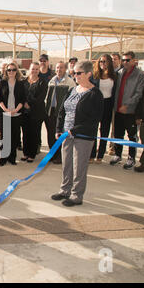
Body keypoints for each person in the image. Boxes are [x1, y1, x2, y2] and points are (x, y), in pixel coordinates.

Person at [52, 61, 103, 207]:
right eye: (73, 73)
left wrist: (73, 130)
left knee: (79, 167)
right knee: (67, 164)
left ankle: (76, 195)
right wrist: (58, 129)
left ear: (88, 74)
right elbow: (62, 111)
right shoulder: (72, 90)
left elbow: (94, 119)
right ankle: (65, 190)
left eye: (78, 73)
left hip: (83, 136)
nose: (75, 76)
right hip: (66, 135)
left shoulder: (95, 94)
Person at [110, 51, 144, 170]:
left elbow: (139, 93)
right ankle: (118, 155)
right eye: (123, 60)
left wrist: (127, 104)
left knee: (132, 136)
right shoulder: (120, 73)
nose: (125, 62)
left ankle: (131, 158)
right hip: (118, 110)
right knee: (118, 134)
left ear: (134, 60)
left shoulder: (140, 75)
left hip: (130, 112)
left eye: (127, 60)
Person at [45, 61, 76, 164]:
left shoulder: (70, 82)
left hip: (62, 112)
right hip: (51, 111)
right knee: (50, 134)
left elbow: (73, 99)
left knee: (59, 134)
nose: (59, 70)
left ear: (65, 69)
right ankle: (52, 154)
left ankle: (59, 156)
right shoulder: (52, 81)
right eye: (57, 68)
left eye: (61, 68)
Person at [89, 54, 117, 163]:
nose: (102, 64)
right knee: (93, 130)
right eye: (101, 61)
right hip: (96, 105)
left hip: (108, 104)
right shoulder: (94, 75)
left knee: (104, 131)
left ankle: (100, 155)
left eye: (105, 61)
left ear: (109, 63)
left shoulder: (114, 76)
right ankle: (91, 155)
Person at [0, 62, 25, 166]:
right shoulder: (2, 83)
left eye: (13, 70)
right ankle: (3, 158)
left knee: (14, 137)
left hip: (16, 114)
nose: (11, 72)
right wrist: (6, 110)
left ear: (16, 71)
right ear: (6, 71)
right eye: (9, 70)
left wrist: (15, 110)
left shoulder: (20, 83)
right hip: (5, 113)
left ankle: (12, 158)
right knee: (5, 137)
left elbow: (23, 99)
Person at [22, 62, 47, 162]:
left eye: (37, 69)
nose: (35, 71)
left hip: (36, 112)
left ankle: (31, 154)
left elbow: (41, 97)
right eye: (33, 69)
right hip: (24, 112)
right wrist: (24, 103)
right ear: (29, 69)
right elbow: (20, 94)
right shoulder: (24, 81)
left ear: (39, 70)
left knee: (34, 133)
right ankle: (25, 153)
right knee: (25, 133)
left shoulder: (42, 82)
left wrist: (30, 104)